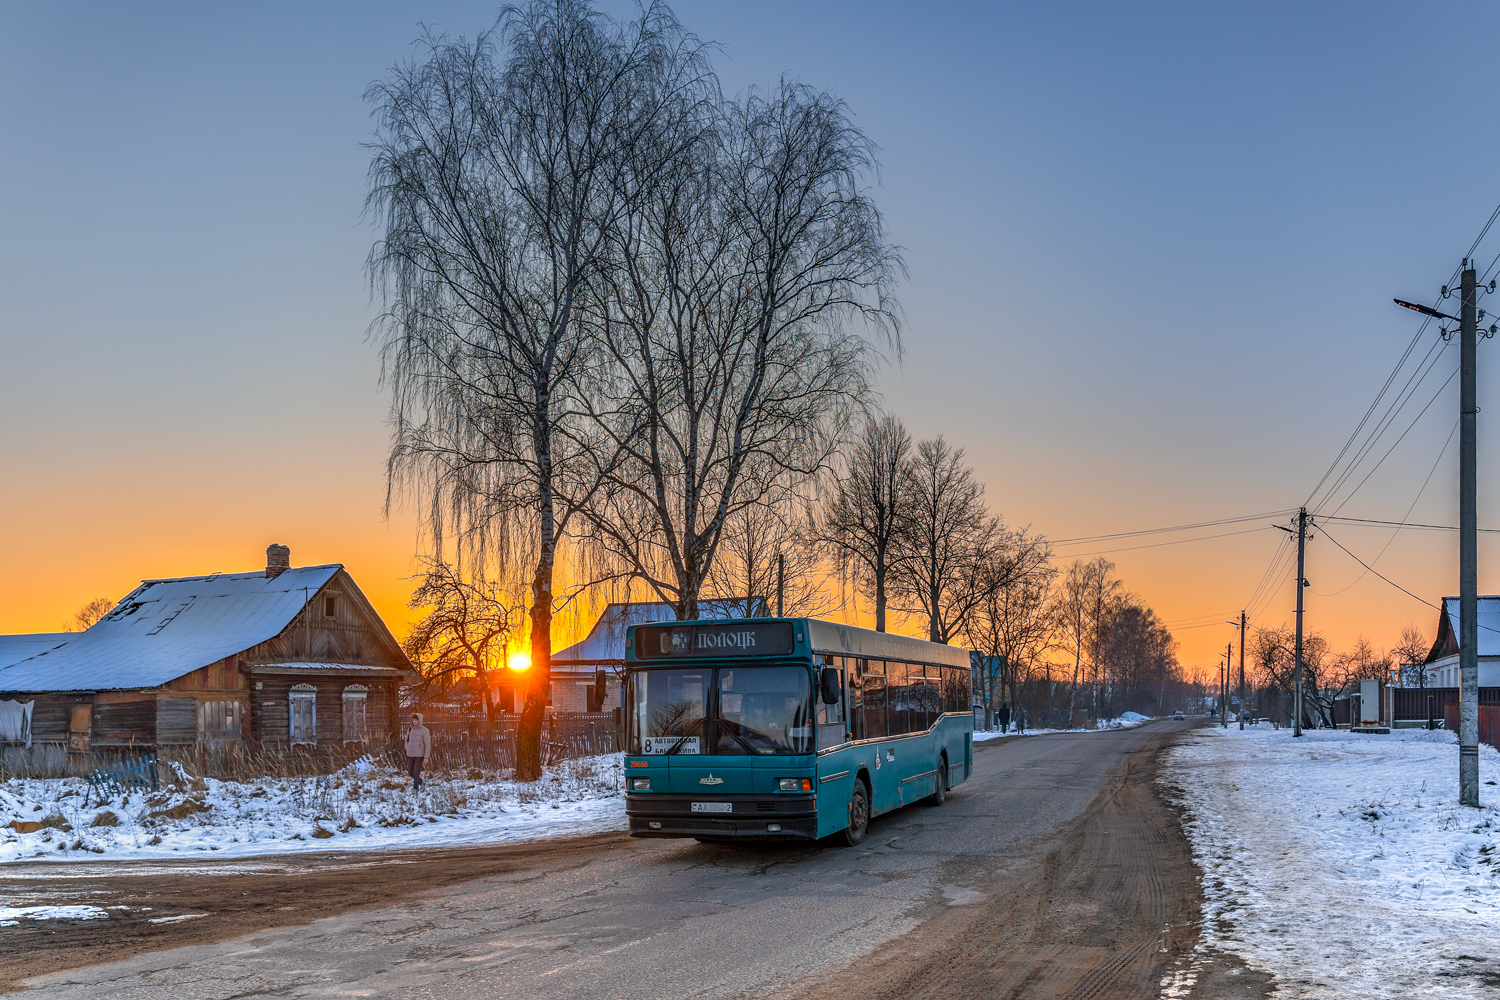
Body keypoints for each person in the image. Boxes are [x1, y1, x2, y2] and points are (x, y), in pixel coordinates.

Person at [404, 712, 431, 791]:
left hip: (419, 755)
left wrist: (426, 757)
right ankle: (420, 781)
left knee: (416, 772)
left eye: (416, 720)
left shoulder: (424, 731)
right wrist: (407, 748)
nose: (414, 722)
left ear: (419, 720)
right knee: (410, 772)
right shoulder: (409, 729)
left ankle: (415, 787)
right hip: (410, 754)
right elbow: (406, 740)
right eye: (413, 720)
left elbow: (427, 744)